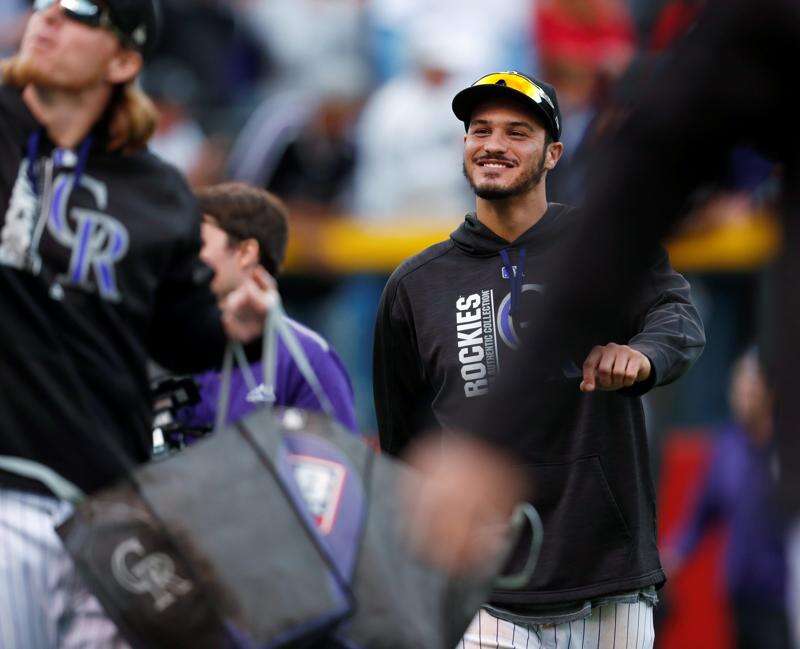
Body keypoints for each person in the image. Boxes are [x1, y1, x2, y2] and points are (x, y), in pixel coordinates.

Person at [373, 70, 705, 647]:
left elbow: (679, 320)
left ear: (553, 153)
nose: (494, 144)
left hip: (610, 582)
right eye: (480, 130)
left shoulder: (605, 247)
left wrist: (641, 355)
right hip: (481, 594)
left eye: (517, 132)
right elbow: (406, 449)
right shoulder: (414, 285)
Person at [0, 2, 271, 647]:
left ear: (123, 59)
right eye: (45, 6)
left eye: (79, 13)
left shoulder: (157, 193)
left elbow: (185, 340)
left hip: (109, 517)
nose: (49, 19)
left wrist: (240, 325)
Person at [179, 182, 358, 433]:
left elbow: (336, 464)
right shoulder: (161, 347)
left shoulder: (307, 358)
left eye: (197, 242)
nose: (181, 255)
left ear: (245, 253)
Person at [663, 349, 790, 649]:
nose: (741, 394)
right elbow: (701, 515)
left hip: (784, 597)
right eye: (737, 386)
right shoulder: (727, 448)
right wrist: (671, 558)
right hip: (738, 595)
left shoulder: (786, 447)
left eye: (750, 385)